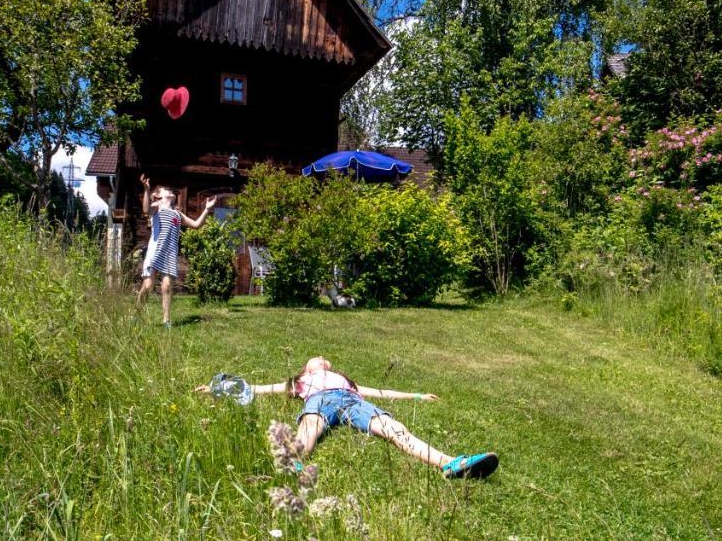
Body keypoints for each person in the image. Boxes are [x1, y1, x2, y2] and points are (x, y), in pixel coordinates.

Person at [197, 355, 498, 479]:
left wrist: (417, 396)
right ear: (305, 370)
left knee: (392, 426)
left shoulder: (347, 382)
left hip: (353, 402)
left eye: (325, 361)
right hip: (319, 402)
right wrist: (215, 389)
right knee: (310, 426)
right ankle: (294, 461)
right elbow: (258, 388)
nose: (322, 360)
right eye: (316, 360)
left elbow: (381, 391)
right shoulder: (300, 383)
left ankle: (450, 463)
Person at [136, 174, 217, 328]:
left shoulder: (177, 214)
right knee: (148, 284)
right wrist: (146, 190)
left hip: (170, 253)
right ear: (158, 195)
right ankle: (137, 313)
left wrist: (206, 210)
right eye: (166, 189)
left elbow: (196, 225)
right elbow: (146, 210)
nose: (171, 190)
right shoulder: (157, 206)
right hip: (156, 251)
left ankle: (166, 320)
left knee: (166, 286)